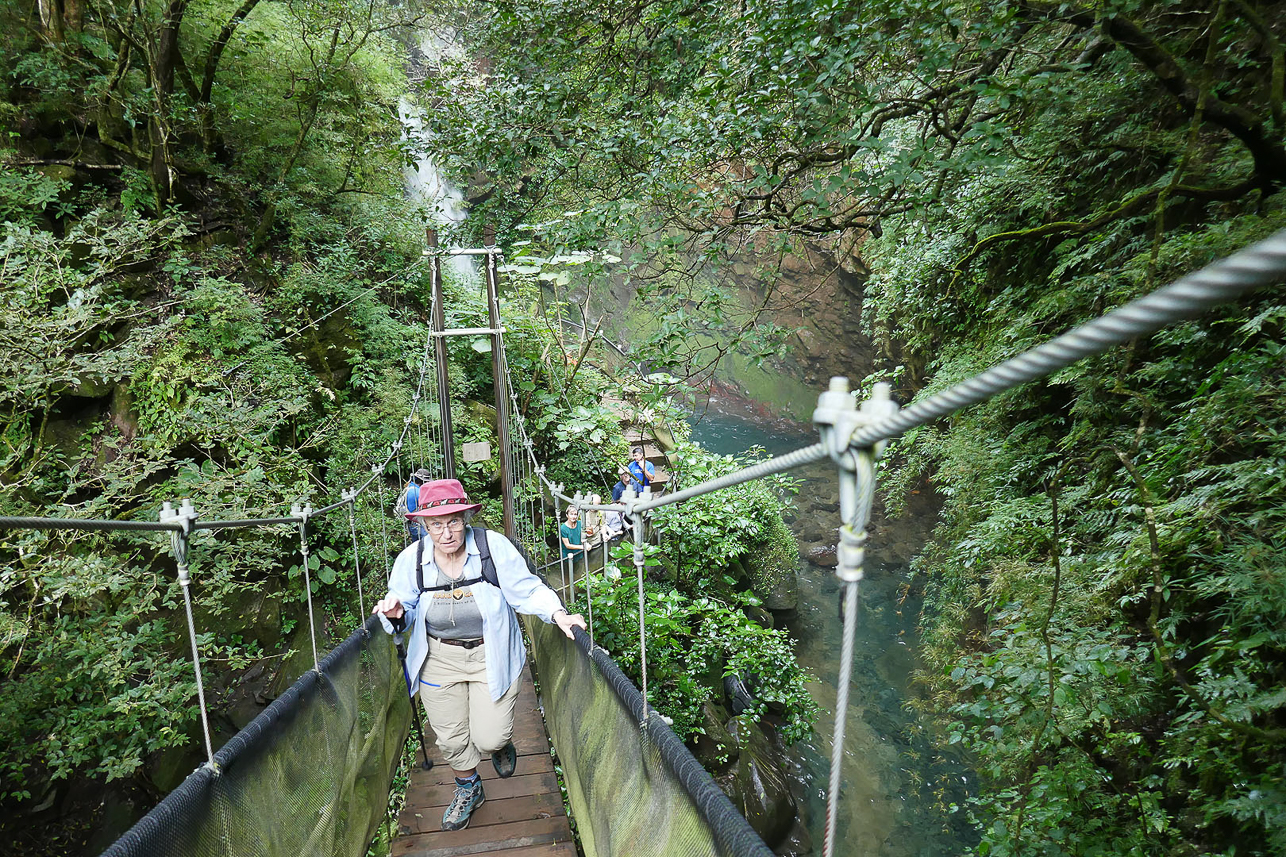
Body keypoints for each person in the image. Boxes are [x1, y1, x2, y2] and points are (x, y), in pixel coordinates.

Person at [373, 479, 586, 832]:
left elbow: (526, 589)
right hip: (438, 658)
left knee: (490, 737)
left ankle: (501, 744)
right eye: (436, 524)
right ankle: (469, 789)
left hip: (491, 653)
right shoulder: (411, 561)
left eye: (454, 521)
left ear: (467, 517)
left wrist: (558, 614)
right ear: (423, 526)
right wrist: (395, 614)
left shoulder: (492, 547)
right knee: (452, 739)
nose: (446, 532)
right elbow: (403, 606)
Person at [402, 468, 432, 541]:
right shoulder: (417, 492)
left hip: (411, 523)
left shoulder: (409, 488)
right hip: (418, 524)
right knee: (428, 543)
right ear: (422, 481)